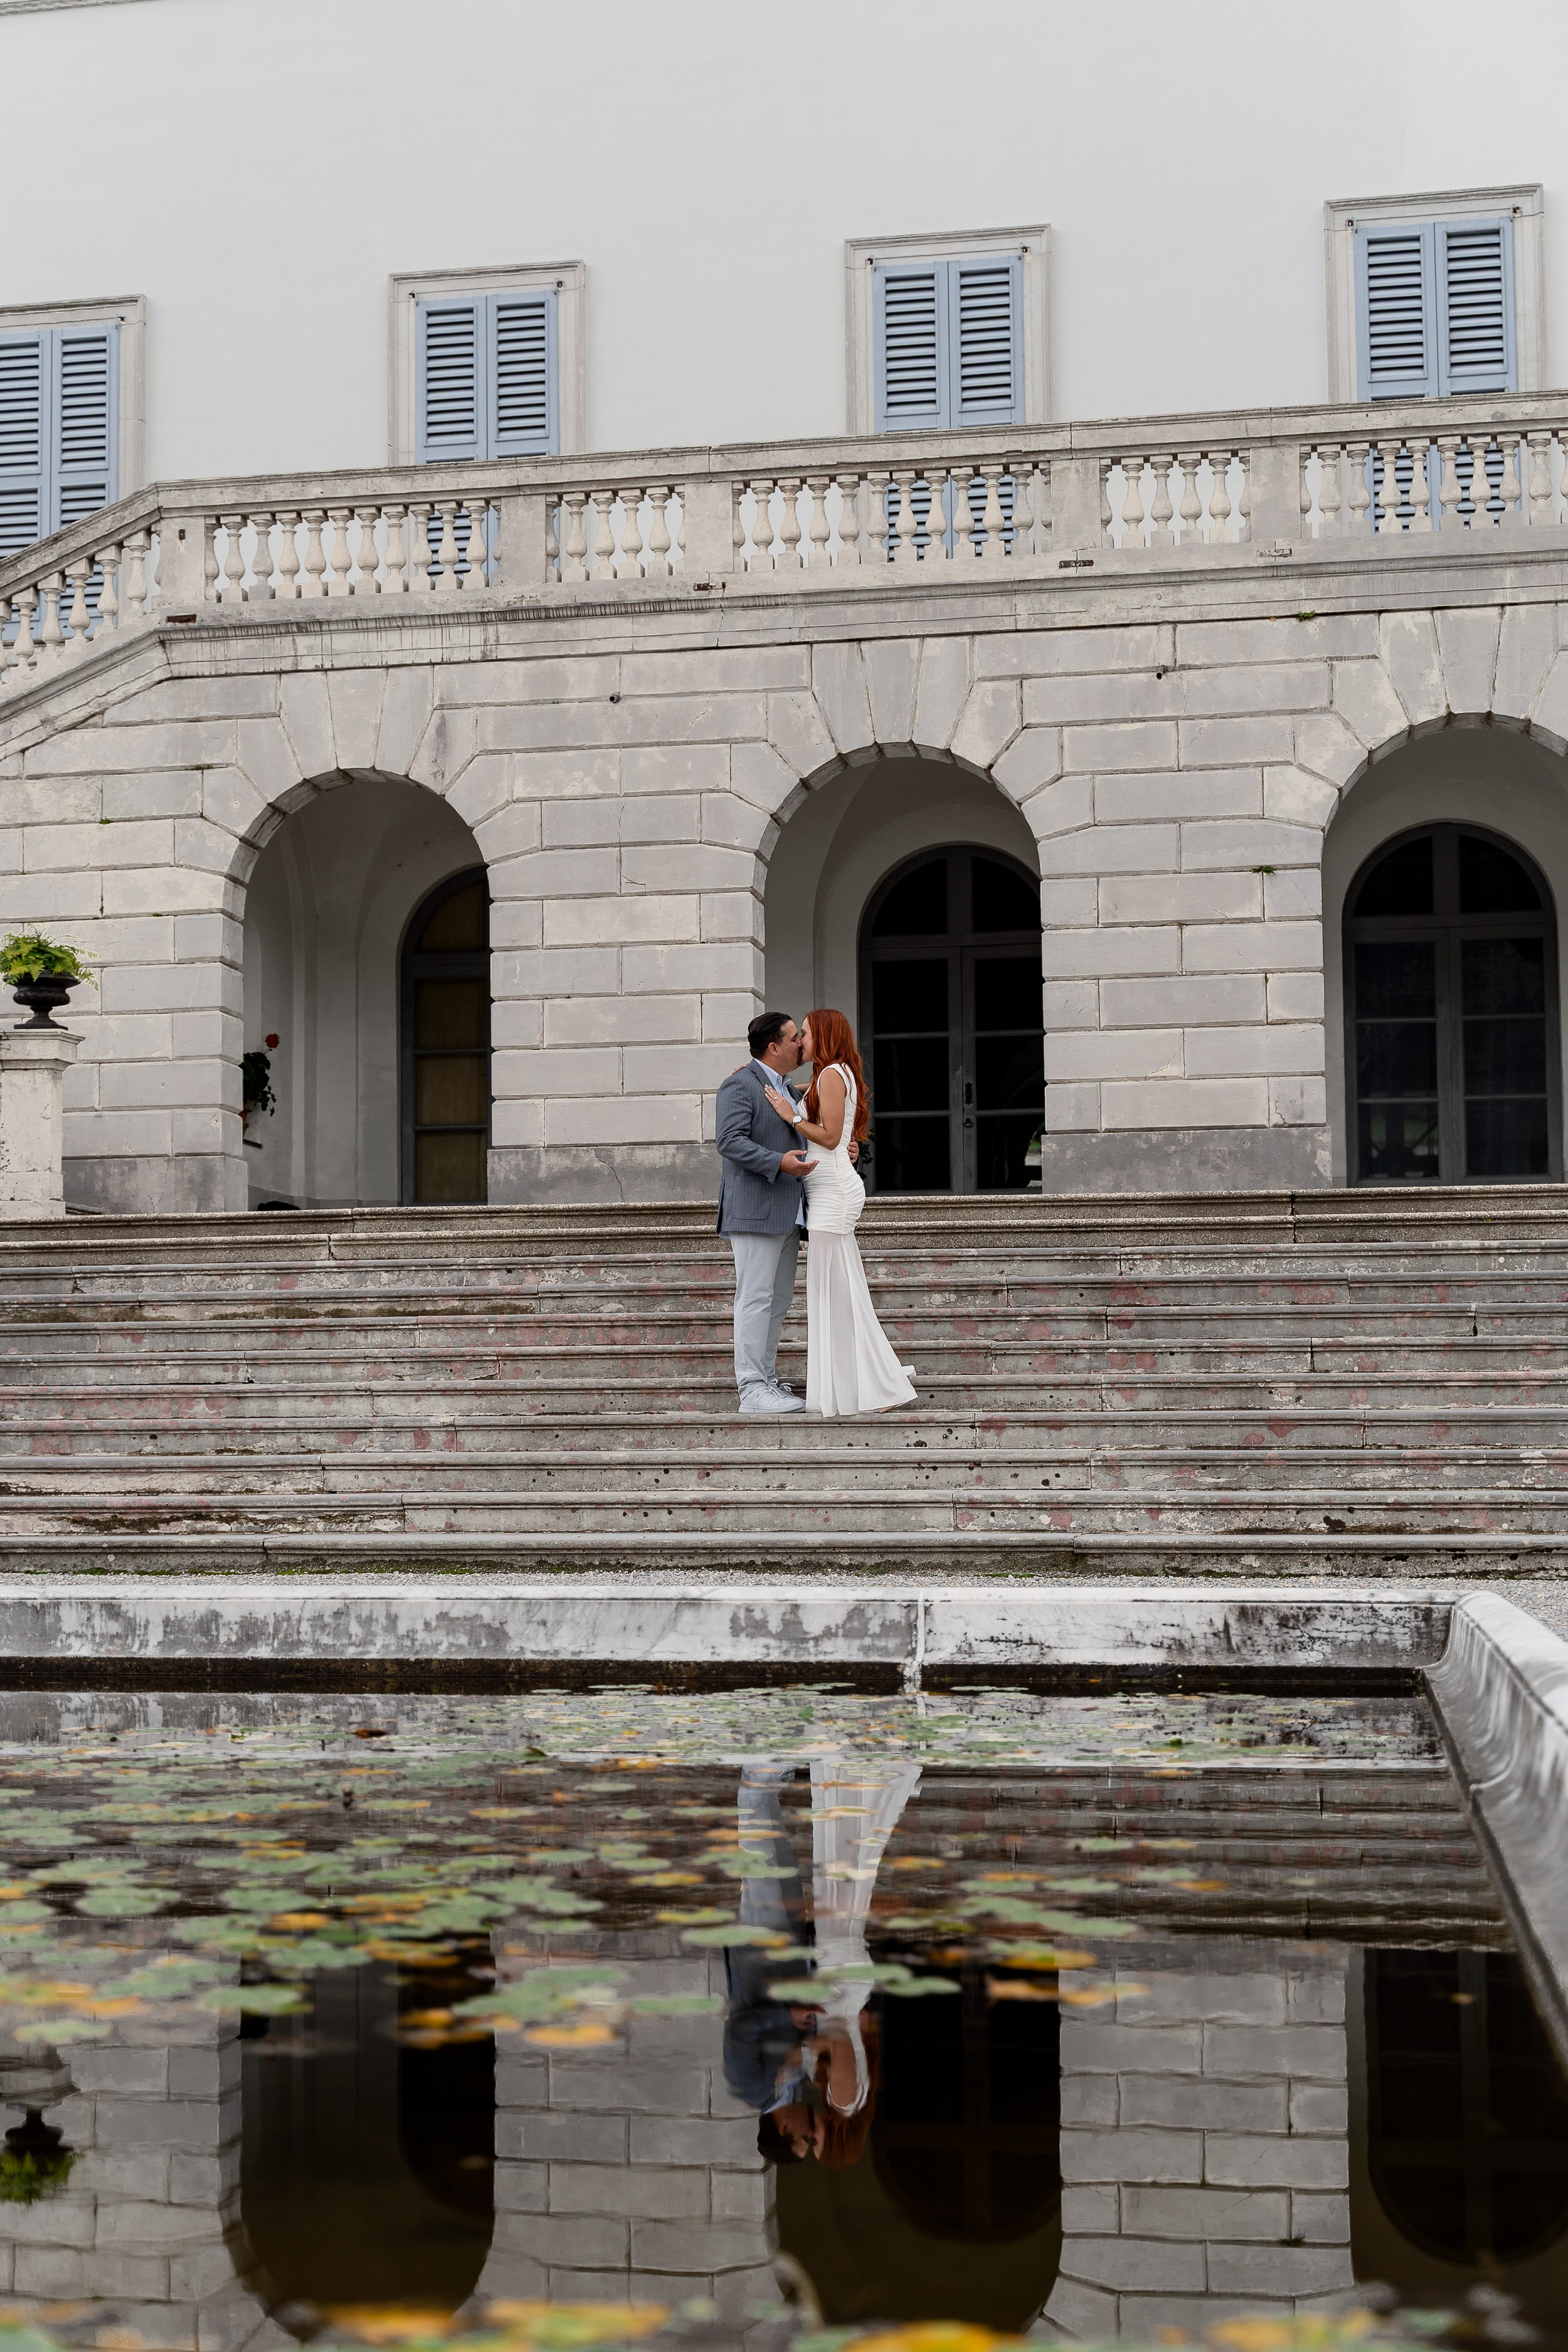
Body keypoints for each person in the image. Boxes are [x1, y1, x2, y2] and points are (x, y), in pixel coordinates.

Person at [765, 1009, 916, 1419]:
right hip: (832, 1191)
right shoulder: (828, 1075)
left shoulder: (832, 1075)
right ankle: (867, 1381)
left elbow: (830, 1137)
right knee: (842, 1295)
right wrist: (763, 1078)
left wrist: (790, 1116)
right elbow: (797, 1092)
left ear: (825, 1036)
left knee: (840, 1298)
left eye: (808, 1033)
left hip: (833, 1195)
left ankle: (877, 1384)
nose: (802, 1042)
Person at [714, 1012, 817, 1415]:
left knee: (777, 1300)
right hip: (756, 1210)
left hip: (789, 1213)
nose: (801, 1044)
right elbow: (729, 1140)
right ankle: (751, 1388)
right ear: (774, 1047)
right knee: (755, 1299)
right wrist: (779, 1163)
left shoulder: (784, 1085)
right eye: (795, 1038)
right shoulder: (739, 1084)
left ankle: (767, 1380)